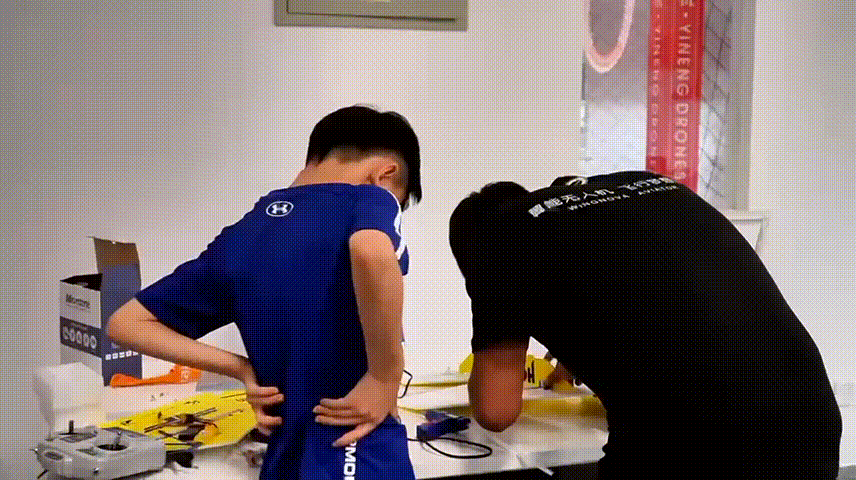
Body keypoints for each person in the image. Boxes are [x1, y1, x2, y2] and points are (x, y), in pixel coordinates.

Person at [448, 170, 842, 479]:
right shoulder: (647, 185)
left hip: (695, 443)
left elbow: (496, 410)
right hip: (810, 418)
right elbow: (669, 306)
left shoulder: (497, 241)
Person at [108, 105, 421, 480]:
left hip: (284, 452)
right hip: (352, 438)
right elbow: (371, 252)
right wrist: (385, 378)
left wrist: (242, 369)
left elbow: (125, 323)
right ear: (385, 173)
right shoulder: (372, 199)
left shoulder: (245, 233)